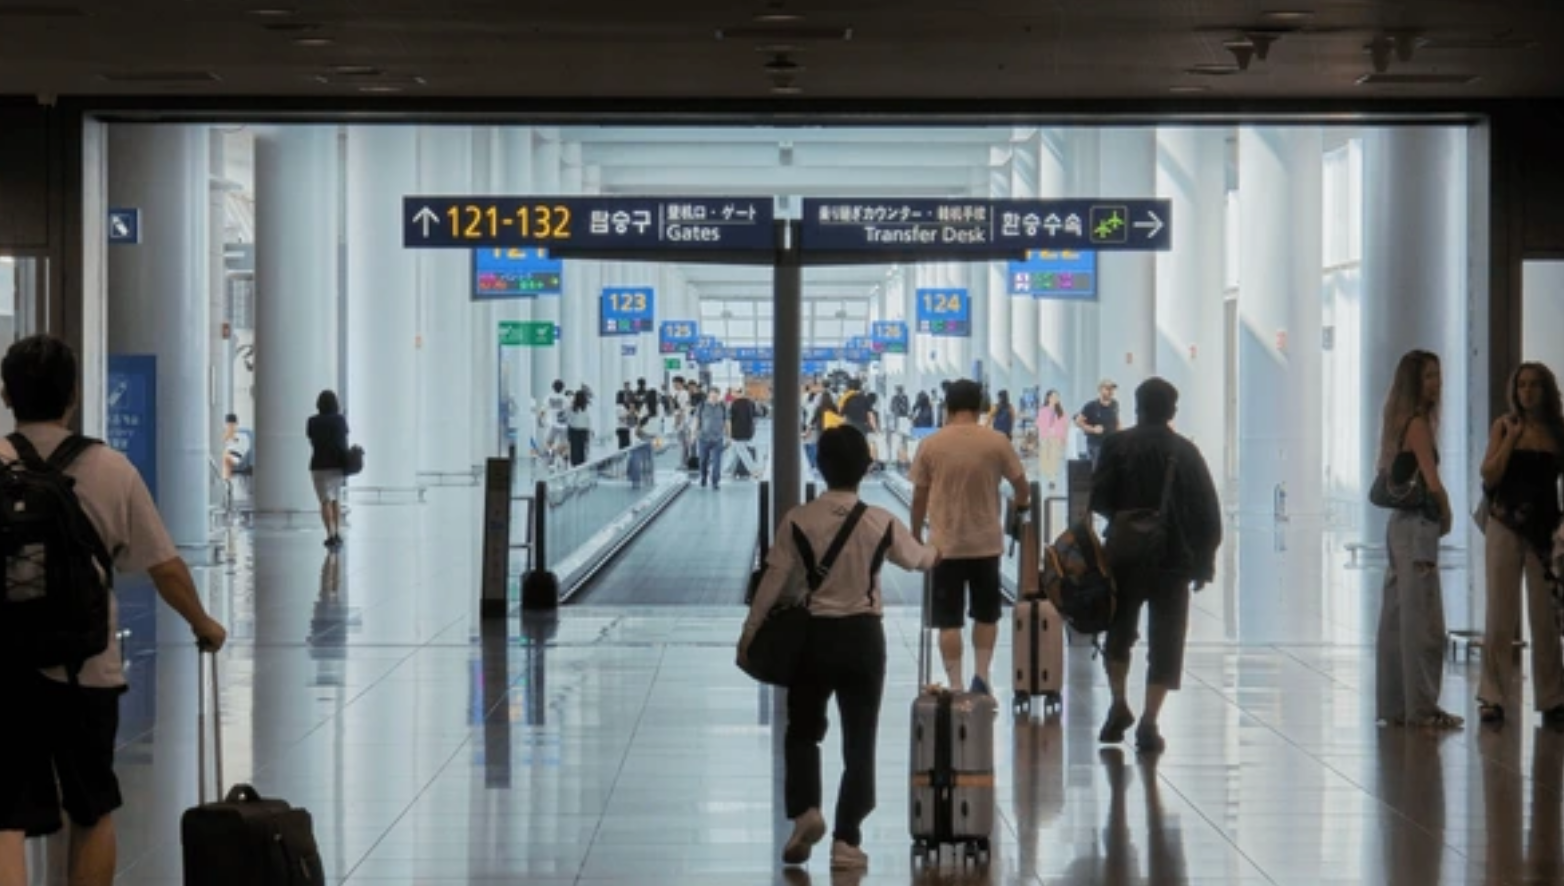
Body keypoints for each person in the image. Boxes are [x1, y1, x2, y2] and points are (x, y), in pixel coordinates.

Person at [0, 335, 228, 886]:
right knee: (91, 809)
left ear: (7, 395)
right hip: (87, 671)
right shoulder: (110, 467)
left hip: (5, 667)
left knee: (4, 813)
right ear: (72, 396)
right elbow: (164, 566)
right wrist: (203, 623)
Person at [739, 426, 940, 872]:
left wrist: (749, 636)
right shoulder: (880, 520)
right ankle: (847, 840)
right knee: (859, 740)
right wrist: (938, 548)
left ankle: (806, 813)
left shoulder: (798, 519)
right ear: (866, 467)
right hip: (864, 639)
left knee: (803, 731)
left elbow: (772, 585)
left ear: (820, 465)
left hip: (812, 636)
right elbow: (919, 559)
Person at [1089, 378, 1223, 754]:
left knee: (1119, 632)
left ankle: (1118, 702)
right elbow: (1207, 512)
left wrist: (1125, 519)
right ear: (1172, 411)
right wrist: (1204, 562)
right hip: (1172, 560)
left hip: (1124, 556)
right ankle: (1149, 721)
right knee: (1166, 641)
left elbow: (1098, 499)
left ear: (1136, 405)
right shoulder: (1186, 452)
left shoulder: (1117, 445)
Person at [909, 378, 1029, 697]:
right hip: (986, 544)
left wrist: (914, 534)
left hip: (943, 546)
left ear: (947, 406)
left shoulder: (931, 444)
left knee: (949, 620)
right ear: (980, 407)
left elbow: (919, 496)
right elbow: (1021, 486)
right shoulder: (996, 441)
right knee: (986, 614)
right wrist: (1021, 507)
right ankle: (981, 676)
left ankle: (956, 683)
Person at [1375, 350, 1463, 730]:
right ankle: (1423, 708)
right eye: (1429, 376)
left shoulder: (1393, 421)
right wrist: (1446, 513)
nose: (1437, 383)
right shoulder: (1418, 425)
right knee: (1423, 620)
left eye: (1437, 376)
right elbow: (1432, 479)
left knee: (1397, 616)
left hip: (1397, 526)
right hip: (1418, 527)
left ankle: (1396, 704)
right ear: (1415, 382)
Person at [1476, 362, 1564, 725]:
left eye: (1534, 386)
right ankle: (1492, 697)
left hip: (1543, 529)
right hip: (1505, 523)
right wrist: (1511, 440)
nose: (1527, 392)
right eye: (1522, 385)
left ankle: (1553, 698)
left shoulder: (1557, 432)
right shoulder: (1505, 426)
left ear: (1546, 391)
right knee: (1500, 614)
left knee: (1545, 619)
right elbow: (1489, 473)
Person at [307, 389, 350, 548]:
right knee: (335, 499)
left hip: (318, 465)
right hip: (337, 465)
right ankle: (337, 532)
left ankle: (330, 534)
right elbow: (344, 441)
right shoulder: (340, 420)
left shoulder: (312, 421)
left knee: (325, 501)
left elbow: (312, 441)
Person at [1076, 379, 1121, 465]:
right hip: (1097, 445)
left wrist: (1121, 436)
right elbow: (1078, 422)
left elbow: (1117, 420)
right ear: (1100, 389)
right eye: (1107, 389)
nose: (1110, 391)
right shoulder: (1091, 406)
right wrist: (1093, 429)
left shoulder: (1115, 404)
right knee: (1098, 471)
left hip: (1112, 444)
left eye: (1112, 389)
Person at [696, 389, 728, 489]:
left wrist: (729, 436)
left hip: (718, 438)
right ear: (708, 396)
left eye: (716, 397)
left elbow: (727, 421)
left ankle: (715, 481)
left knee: (717, 461)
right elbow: (697, 420)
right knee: (703, 461)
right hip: (703, 438)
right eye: (712, 397)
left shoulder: (722, 407)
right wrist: (693, 434)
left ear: (719, 396)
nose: (714, 399)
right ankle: (704, 476)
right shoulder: (701, 406)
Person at [1037, 389, 1069, 490]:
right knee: (1046, 460)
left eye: (1057, 397)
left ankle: (1052, 479)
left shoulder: (1061, 411)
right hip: (1045, 438)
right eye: (1053, 396)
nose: (1055, 399)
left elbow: (1064, 425)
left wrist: (1063, 437)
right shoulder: (1043, 410)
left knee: (1054, 459)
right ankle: (1048, 477)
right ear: (1048, 398)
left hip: (1056, 438)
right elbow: (1039, 424)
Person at [566, 388, 592, 466]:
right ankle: (581, 466)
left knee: (574, 450)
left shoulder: (571, 407)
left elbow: (568, 420)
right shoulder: (586, 408)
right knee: (582, 450)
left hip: (573, 430)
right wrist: (589, 431)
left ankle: (575, 466)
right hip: (583, 431)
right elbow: (588, 421)